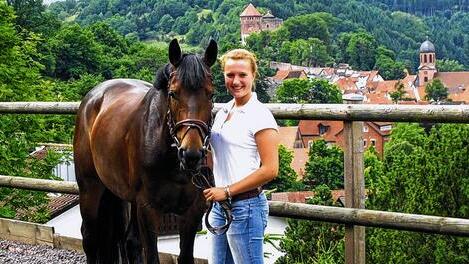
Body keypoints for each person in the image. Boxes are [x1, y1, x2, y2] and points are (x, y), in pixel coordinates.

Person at [203, 49, 279, 264]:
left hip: (245, 205)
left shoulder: (259, 114)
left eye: (242, 75)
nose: (236, 81)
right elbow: (215, 156)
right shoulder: (224, 111)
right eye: (230, 75)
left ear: (253, 75)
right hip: (219, 206)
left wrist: (226, 191)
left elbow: (270, 169)